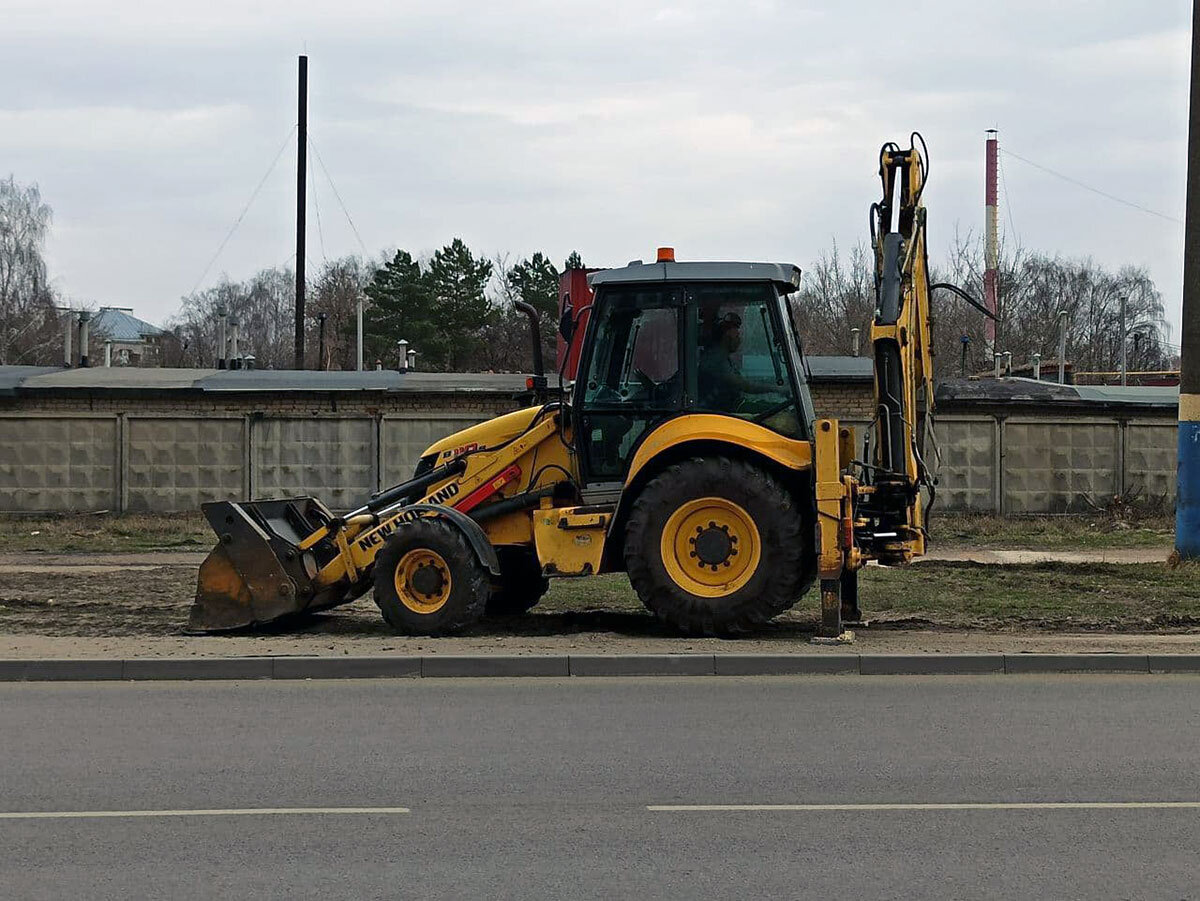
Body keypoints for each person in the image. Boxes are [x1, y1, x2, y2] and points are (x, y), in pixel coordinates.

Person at [698, 312, 777, 410]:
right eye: (736, 336)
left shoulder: (722, 357)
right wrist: (775, 388)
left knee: (772, 408)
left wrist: (773, 383)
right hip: (724, 414)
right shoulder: (715, 360)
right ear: (726, 337)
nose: (739, 340)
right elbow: (745, 385)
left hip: (731, 409)